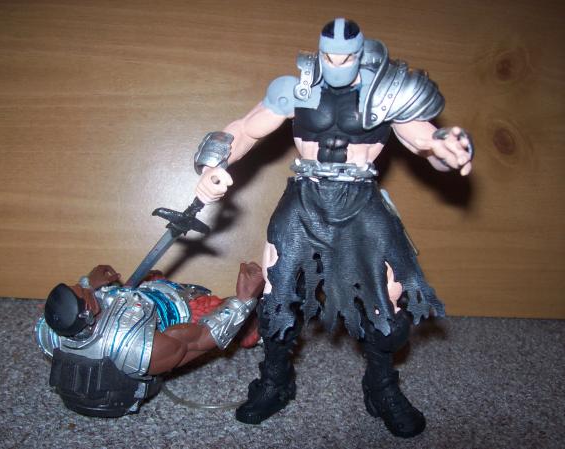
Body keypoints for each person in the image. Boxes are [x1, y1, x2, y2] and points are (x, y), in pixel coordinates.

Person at [192, 18, 473, 438]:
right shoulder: (296, 88)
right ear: (319, 52)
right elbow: (245, 129)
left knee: (388, 299)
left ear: (360, 54)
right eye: (330, 56)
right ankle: (275, 381)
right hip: (305, 198)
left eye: (346, 57)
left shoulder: (388, 90)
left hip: (360, 200)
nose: (337, 63)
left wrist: (447, 149)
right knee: (276, 295)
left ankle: (381, 386)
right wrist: (213, 166)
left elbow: (425, 140)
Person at [35, 262, 264, 417]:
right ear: (88, 311)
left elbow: (78, 306)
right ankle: (250, 329)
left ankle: (155, 286)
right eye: (83, 292)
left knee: (151, 277)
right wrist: (244, 300)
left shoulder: (49, 333)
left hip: (133, 317)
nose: (84, 287)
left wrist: (89, 284)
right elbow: (200, 339)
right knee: (210, 308)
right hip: (169, 320)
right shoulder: (135, 347)